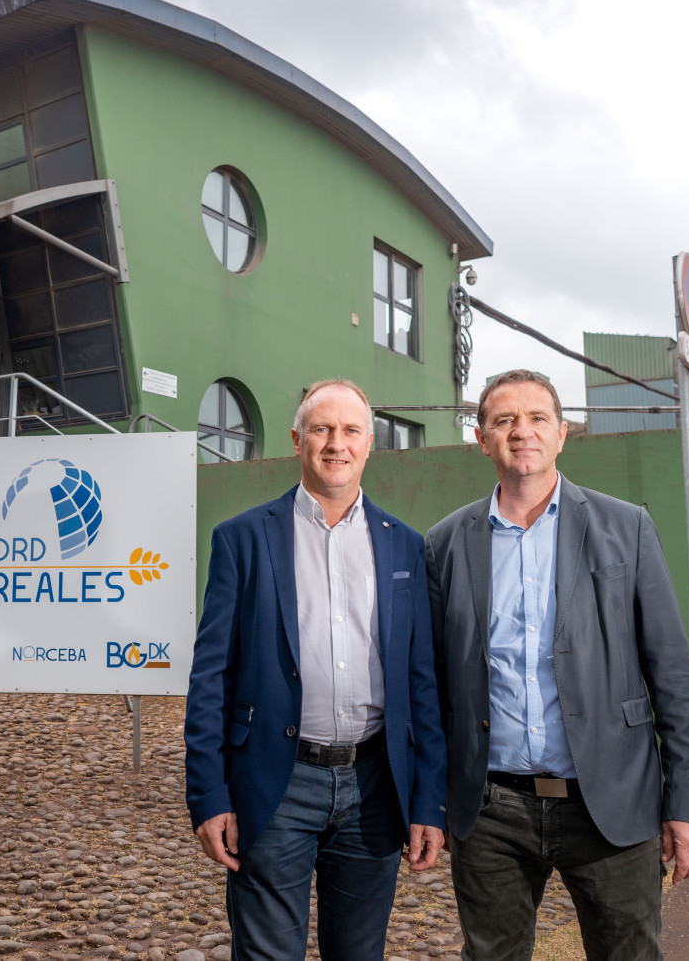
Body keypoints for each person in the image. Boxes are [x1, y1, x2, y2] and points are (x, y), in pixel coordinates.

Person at [425, 369, 689, 961]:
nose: (520, 432)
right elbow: (431, 689)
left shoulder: (626, 527)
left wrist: (688, 805)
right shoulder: (446, 543)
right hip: (491, 810)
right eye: (504, 420)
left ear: (562, 434)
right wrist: (433, 803)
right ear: (482, 439)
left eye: (536, 419)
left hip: (609, 802)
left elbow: (673, 678)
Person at [185, 378, 446, 961]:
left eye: (350, 430)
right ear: (297, 440)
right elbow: (210, 679)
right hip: (275, 782)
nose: (336, 443)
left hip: (376, 785)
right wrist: (207, 793)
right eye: (322, 429)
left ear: (370, 443)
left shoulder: (405, 546)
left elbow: (421, 682)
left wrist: (429, 800)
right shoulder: (242, 540)